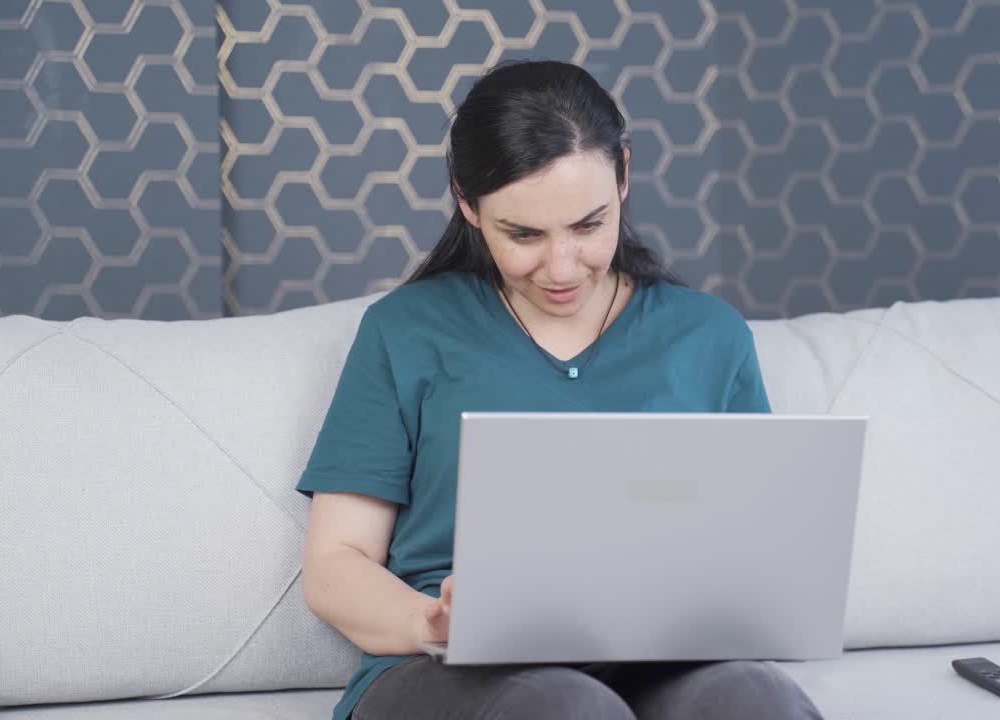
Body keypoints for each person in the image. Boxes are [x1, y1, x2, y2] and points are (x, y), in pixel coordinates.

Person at [296, 60, 823, 720]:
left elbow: (755, 551)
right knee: (565, 707)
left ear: (623, 176)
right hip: (451, 668)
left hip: (664, 658)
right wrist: (433, 622)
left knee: (754, 699)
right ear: (467, 202)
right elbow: (335, 563)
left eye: (588, 225)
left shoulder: (709, 335)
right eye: (524, 235)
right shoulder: (405, 331)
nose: (562, 267)